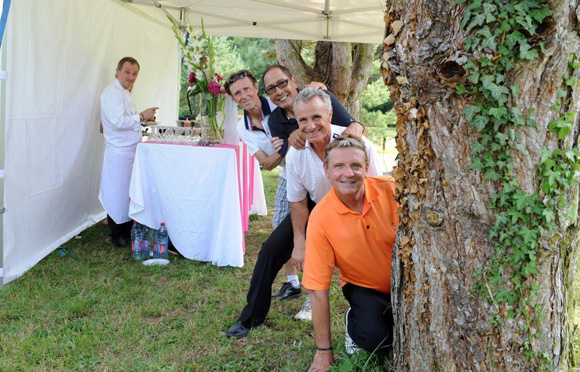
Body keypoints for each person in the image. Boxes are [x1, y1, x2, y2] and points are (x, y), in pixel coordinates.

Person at [225, 87, 382, 339]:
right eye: (303, 120)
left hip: (357, 210)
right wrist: (300, 242)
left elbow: (377, 192)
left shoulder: (357, 143)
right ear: (295, 123)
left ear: (330, 114)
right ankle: (250, 318)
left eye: (317, 117)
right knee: (270, 251)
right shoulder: (296, 151)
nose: (310, 126)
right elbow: (298, 202)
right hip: (315, 208)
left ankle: (370, 313)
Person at [263, 64, 366, 320]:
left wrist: (358, 128)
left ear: (294, 80)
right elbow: (284, 156)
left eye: (282, 83)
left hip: (340, 180)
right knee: (298, 235)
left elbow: (353, 127)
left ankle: (361, 295)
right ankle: (300, 286)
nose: (278, 90)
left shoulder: (320, 97)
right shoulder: (276, 119)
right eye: (271, 88)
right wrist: (293, 140)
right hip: (304, 178)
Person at [303, 136, 397, 372]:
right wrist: (323, 351)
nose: (348, 173)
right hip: (363, 285)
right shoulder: (320, 219)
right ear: (326, 171)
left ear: (366, 167)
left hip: (404, 282)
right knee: (377, 338)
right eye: (338, 166)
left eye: (355, 165)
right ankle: (352, 320)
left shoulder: (392, 190)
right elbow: (318, 289)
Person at [225, 69, 301, 301]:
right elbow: (266, 164)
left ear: (256, 87)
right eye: (237, 93)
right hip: (288, 174)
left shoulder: (277, 100)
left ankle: (312, 292)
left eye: (247, 88)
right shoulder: (242, 127)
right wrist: (287, 146)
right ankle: (293, 284)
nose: (243, 95)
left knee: (305, 235)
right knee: (279, 230)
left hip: (307, 172)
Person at [99, 57, 158, 247]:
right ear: (117, 71)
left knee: (126, 193)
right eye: (127, 72)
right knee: (117, 193)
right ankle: (117, 235)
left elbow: (125, 121)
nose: (131, 77)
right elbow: (117, 121)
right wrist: (142, 116)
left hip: (130, 150)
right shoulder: (111, 93)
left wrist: (142, 122)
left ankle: (125, 230)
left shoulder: (125, 93)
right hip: (119, 152)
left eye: (134, 74)